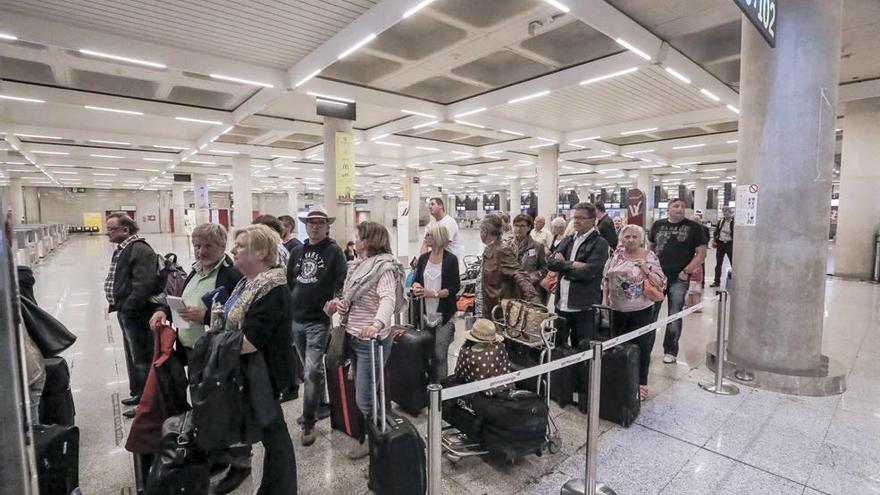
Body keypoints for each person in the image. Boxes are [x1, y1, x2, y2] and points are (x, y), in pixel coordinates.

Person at [224, 224, 298, 494]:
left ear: (262, 252)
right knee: (271, 432)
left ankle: (281, 488)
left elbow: (251, 341)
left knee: (273, 432)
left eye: (241, 246)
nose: (234, 250)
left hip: (264, 374)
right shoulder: (249, 282)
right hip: (251, 373)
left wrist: (215, 343)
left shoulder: (272, 288)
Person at [325, 221, 404, 460]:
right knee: (367, 391)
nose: (354, 240)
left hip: (372, 341)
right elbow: (347, 298)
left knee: (365, 396)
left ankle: (377, 438)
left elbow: (388, 299)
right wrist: (334, 306)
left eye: (358, 236)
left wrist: (377, 325)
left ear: (369, 240)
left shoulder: (384, 267)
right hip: (353, 335)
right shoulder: (357, 267)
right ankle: (377, 433)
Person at [287, 208, 347, 447]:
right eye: (311, 223)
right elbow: (290, 281)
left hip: (317, 322)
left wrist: (337, 301)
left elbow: (342, 282)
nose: (315, 227)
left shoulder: (334, 252)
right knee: (308, 369)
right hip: (296, 319)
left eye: (320, 223)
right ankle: (320, 404)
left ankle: (308, 422)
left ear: (327, 226)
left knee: (312, 372)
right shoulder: (297, 251)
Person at [149, 224, 243, 364]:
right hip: (189, 349)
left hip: (214, 353)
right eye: (197, 246)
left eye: (208, 246)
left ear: (222, 247)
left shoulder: (232, 275)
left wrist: (204, 317)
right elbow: (183, 302)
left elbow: (238, 318)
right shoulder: (195, 272)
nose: (201, 252)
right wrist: (163, 311)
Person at [104, 212, 158, 419]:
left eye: (112, 229)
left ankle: (147, 402)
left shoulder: (140, 250)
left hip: (137, 313)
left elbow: (143, 284)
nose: (108, 233)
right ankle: (138, 392)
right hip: (126, 311)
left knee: (142, 358)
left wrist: (128, 307)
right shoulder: (124, 249)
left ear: (125, 230)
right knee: (132, 356)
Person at [602, 224, 666, 400]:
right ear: (621, 238)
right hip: (618, 309)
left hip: (640, 310)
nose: (630, 240)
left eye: (634, 237)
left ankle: (641, 383)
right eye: (627, 237)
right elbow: (606, 278)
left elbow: (660, 282)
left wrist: (645, 269)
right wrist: (604, 299)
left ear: (641, 239)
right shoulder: (616, 255)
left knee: (641, 347)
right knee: (618, 346)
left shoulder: (648, 256)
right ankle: (621, 380)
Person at [648, 198, 708, 364]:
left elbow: (701, 253)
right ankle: (646, 348)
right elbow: (650, 248)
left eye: (682, 206)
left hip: (678, 278)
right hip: (657, 277)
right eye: (676, 206)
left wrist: (687, 271)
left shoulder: (695, 228)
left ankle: (671, 350)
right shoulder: (657, 225)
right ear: (668, 209)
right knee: (650, 313)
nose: (680, 209)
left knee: (674, 314)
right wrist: (649, 268)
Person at [547, 203, 609, 348]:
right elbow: (550, 263)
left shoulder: (600, 243)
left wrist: (562, 266)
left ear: (593, 219)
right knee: (558, 345)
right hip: (561, 303)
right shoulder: (569, 240)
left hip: (583, 306)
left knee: (581, 347)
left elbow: (588, 273)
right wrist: (573, 264)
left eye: (581, 218)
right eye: (575, 217)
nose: (576, 221)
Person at [411, 223, 461, 382]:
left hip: (444, 314)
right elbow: (416, 280)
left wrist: (432, 293)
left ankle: (441, 391)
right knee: (428, 352)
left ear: (438, 238)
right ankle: (429, 387)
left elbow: (454, 288)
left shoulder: (451, 260)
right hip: (425, 313)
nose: (425, 238)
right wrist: (417, 286)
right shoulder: (424, 258)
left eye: (428, 235)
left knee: (440, 353)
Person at [478, 214, 541, 319]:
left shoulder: (501, 250)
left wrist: (534, 299)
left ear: (484, 231)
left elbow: (518, 273)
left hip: (496, 311)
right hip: (487, 307)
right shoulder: (490, 248)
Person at [452, 319, 513, 397]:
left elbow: (459, 371)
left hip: (475, 388)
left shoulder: (468, 351)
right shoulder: (500, 348)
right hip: (501, 385)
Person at [511, 214, 548, 300]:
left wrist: (532, 277)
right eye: (516, 225)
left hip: (530, 291)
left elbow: (544, 268)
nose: (518, 229)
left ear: (529, 227)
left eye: (522, 226)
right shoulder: (507, 246)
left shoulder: (538, 247)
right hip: (511, 291)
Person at [711, 207, 734, 287]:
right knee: (718, 264)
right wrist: (714, 240)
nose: (725, 214)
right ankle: (716, 282)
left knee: (733, 262)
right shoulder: (721, 221)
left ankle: (734, 281)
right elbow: (716, 231)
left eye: (726, 212)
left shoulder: (733, 222)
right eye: (723, 212)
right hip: (720, 244)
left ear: (730, 212)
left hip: (729, 244)